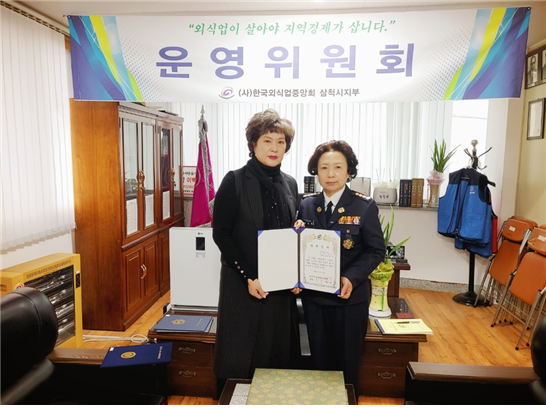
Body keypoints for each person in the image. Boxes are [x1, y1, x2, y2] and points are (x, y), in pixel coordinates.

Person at [212, 108, 301, 393]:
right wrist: (249, 276)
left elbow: (290, 232)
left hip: (280, 287)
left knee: (276, 351)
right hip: (243, 283)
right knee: (240, 353)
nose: (274, 148)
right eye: (267, 141)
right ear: (253, 144)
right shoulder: (234, 181)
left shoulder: (290, 184)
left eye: (281, 142)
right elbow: (222, 234)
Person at [294, 140, 385, 397]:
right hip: (315, 299)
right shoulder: (307, 204)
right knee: (319, 361)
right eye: (324, 167)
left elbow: (376, 250)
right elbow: (299, 248)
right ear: (316, 171)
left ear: (348, 172)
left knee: (348, 364)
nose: (330, 174)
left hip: (349, 300)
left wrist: (351, 278)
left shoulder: (364, 206)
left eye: (337, 167)